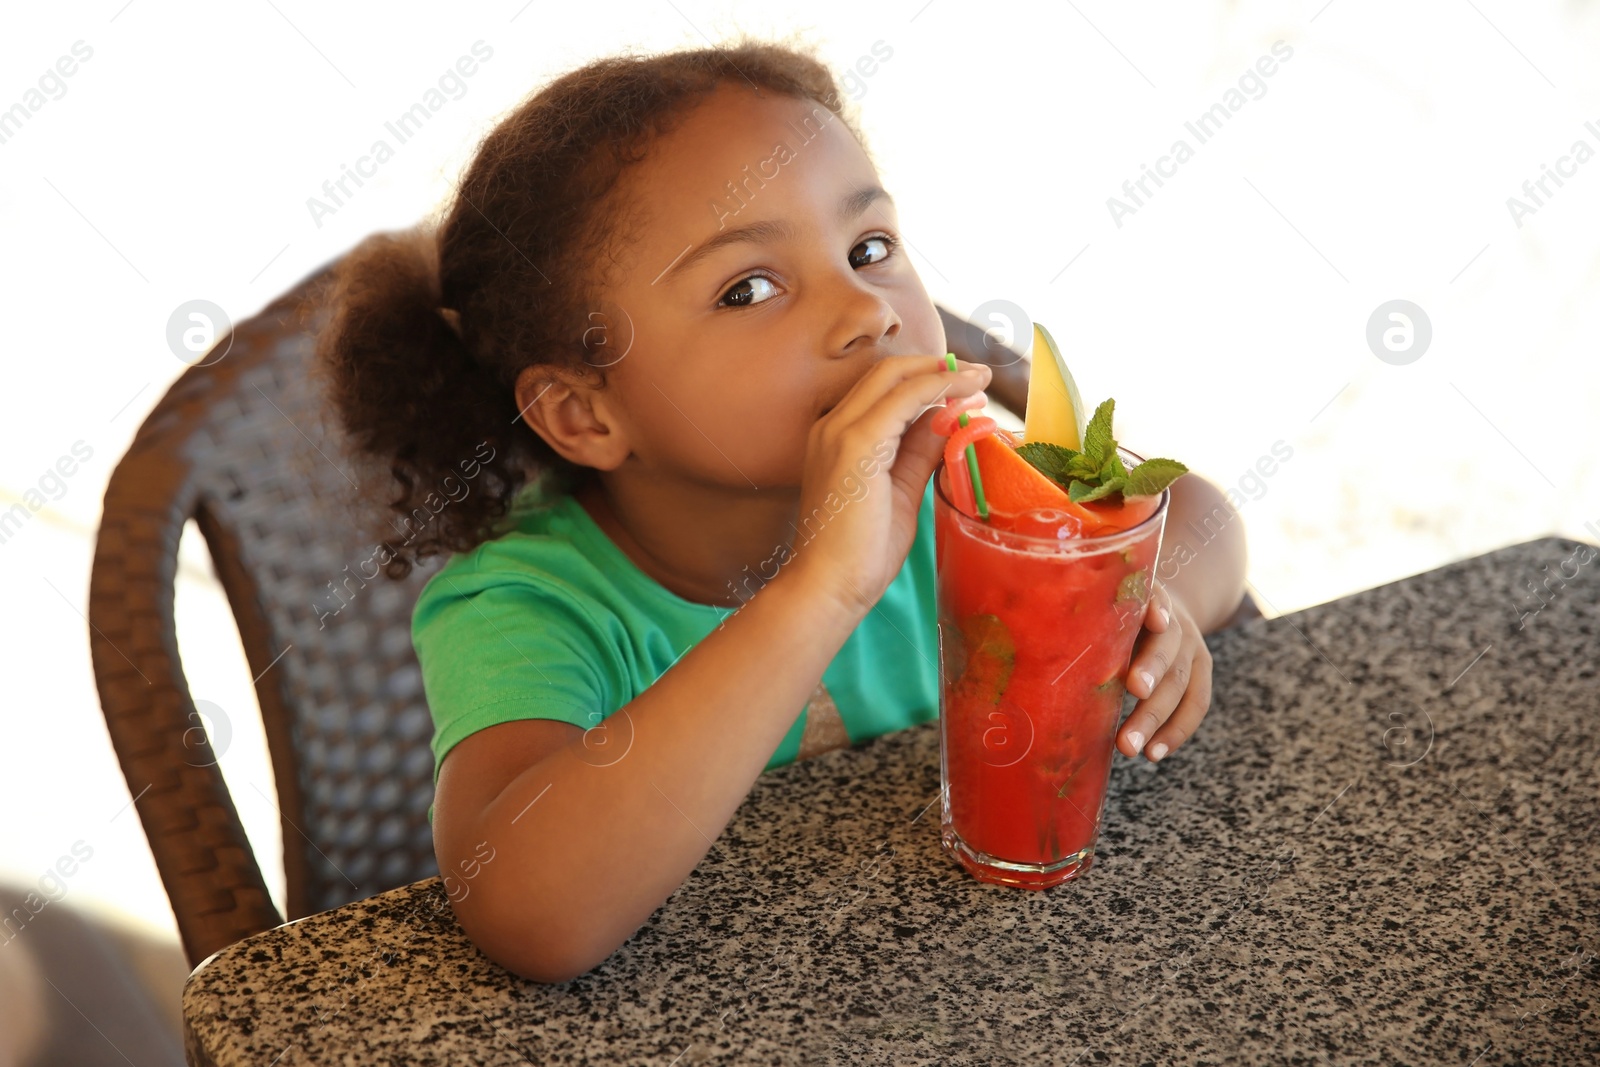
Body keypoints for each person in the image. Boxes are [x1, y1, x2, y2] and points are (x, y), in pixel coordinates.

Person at [315, 38, 1248, 983]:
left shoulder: (963, 496)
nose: (868, 312)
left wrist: (1135, 609)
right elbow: (530, 914)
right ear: (584, 412)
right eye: (748, 288)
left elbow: (1200, 513)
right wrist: (820, 590)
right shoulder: (531, 604)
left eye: (869, 248)